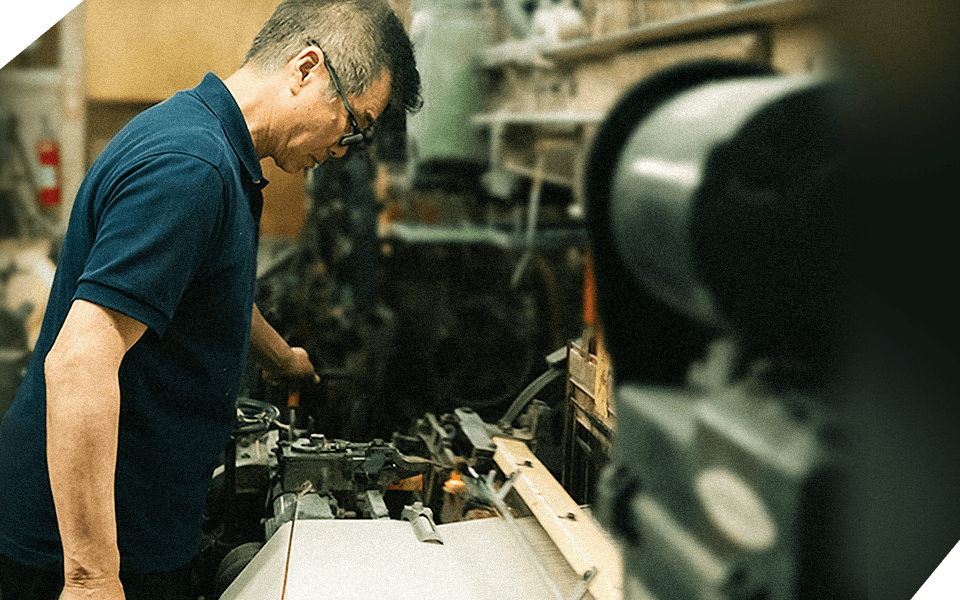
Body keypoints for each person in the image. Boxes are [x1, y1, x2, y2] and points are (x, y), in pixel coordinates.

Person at [0, 0, 422, 598]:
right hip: (83, 547)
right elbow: (79, 361)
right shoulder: (191, 169)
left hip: (140, 523)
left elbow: (193, 283)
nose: (346, 148)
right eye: (355, 123)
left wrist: (280, 356)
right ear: (307, 69)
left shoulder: (207, 142)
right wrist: (91, 576)